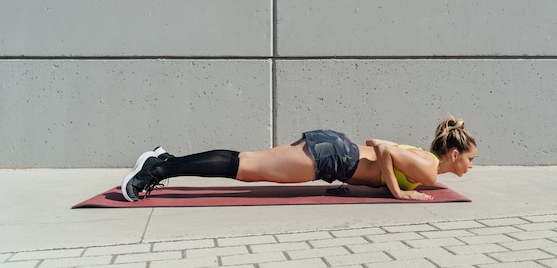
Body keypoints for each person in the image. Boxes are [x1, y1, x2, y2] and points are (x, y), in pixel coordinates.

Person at [122, 115, 477, 202]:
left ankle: (165, 160)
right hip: (333, 158)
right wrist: (399, 193)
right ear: (454, 154)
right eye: (470, 159)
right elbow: (383, 151)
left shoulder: (424, 158)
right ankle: (157, 168)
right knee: (246, 167)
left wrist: (374, 180)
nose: (471, 166)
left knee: (248, 163)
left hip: (336, 152)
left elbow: (375, 142)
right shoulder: (429, 168)